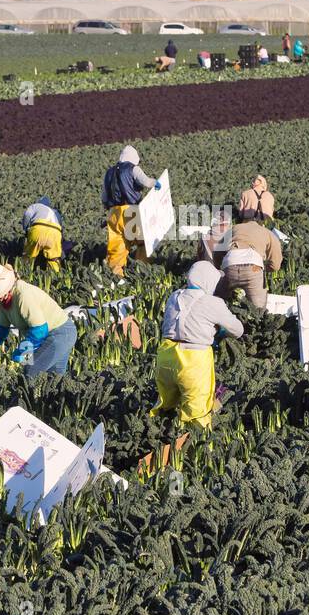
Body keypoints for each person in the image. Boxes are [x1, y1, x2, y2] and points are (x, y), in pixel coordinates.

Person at [151, 261, 244, 429]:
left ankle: (156, 436)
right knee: (197, 415)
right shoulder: (213, 302)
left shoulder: (175, 296)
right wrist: (221, 332)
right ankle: (190, 448)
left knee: (165, 407)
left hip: (165, 356)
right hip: (193, 360)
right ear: (209, 281)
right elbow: (238, 330)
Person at [0, 264, 78, 377]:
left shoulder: (23, 295)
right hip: (47, 336)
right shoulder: (3, 302)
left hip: (60, 333)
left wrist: (23, 351)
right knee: (53, 378)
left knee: (31, 370)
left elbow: (39, 329)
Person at [101, 145, 158, 275]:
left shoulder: (109, 172)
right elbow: (147, 182)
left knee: (116, 248)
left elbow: (104, 197)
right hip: (132, 211)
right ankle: (140, 271)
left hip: (114, 213)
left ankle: (116, 277)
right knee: (143, 242)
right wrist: (156, 183)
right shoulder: (133, 168)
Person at [218, 209, 283, 309]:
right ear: (261, 223)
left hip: (230, 262)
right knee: (258, 309)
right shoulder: (267, 232)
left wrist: (219, 267)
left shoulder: (235, 228)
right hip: (253, 265)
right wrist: (263, 269)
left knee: (220, 302)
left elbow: (218, 251)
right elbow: (275, 265)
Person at [22, 196, 64, 273]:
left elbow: (27, 215)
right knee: (53, 258)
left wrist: (26, 229)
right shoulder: (55, 212)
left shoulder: (35, 206)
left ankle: (25, 271)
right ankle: (55, 275)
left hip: (38, 229)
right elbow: (61, 226)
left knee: (29, 254)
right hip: (55, 233)